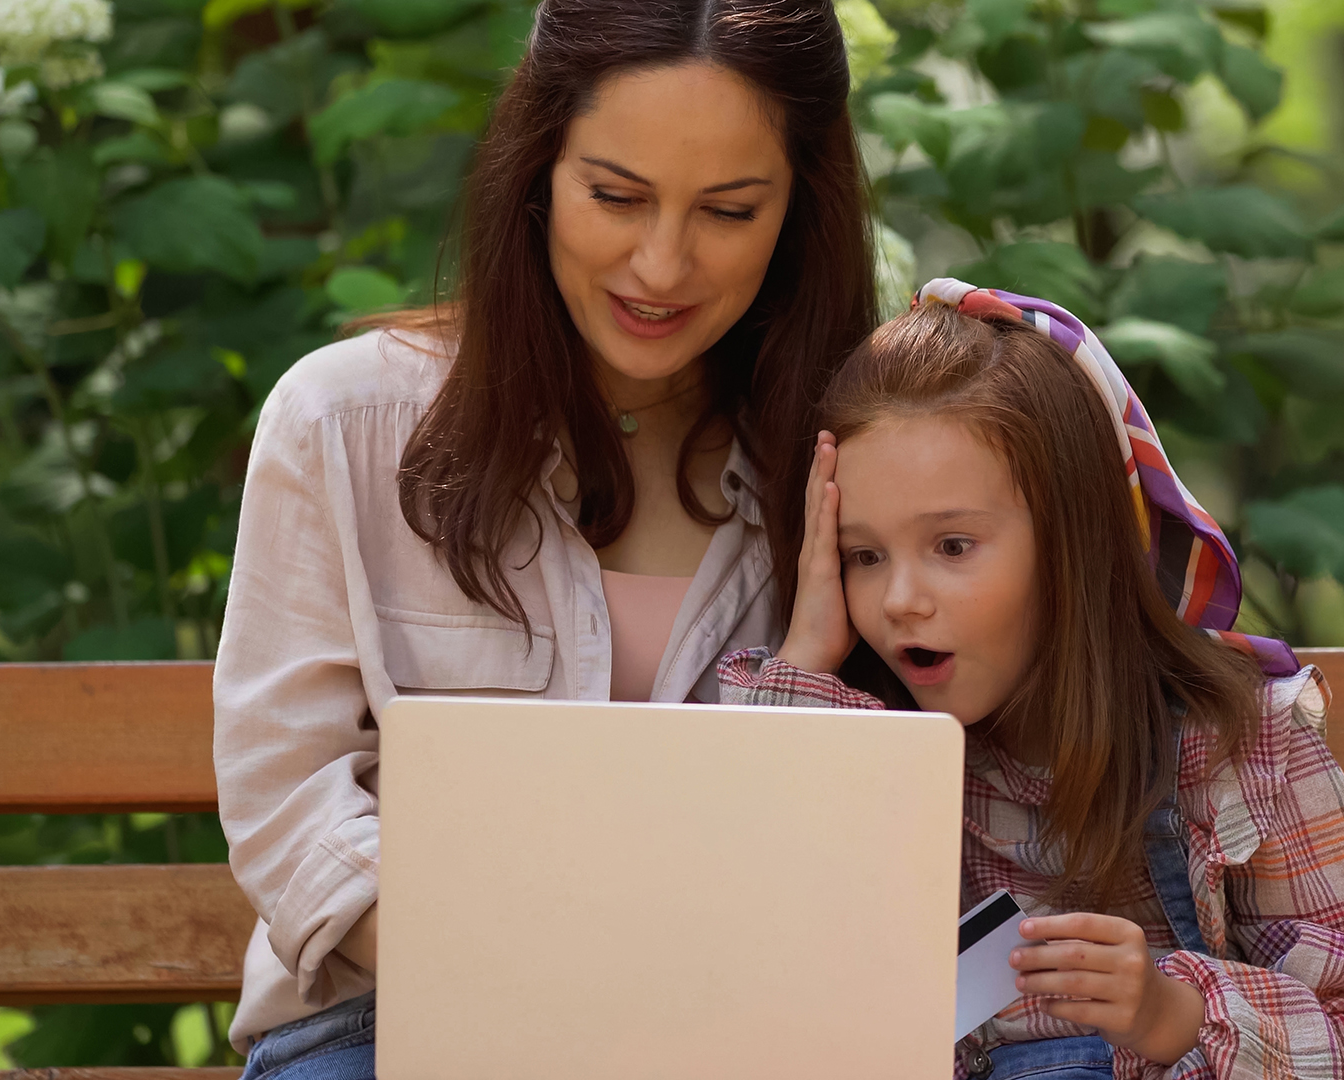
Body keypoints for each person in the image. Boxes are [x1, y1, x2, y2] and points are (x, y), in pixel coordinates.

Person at [211, 0, 876, 1072]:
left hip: (740, 1031)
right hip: (394, 1014)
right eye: (615, 196)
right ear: (537, 169)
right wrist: (528, 978)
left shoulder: (851, 455)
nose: (660, 266)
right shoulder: (345, 423)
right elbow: (287, 793)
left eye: (728, 211)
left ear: (802, 209)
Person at [719, 281, 1344, 1080]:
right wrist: (805, 659)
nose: (900, 600)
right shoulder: (862, 757)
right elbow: (749, 992)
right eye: (864, 555)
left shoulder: (1240, 743)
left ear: (1074, 542)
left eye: (952, 546)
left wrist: (1174, 1014)